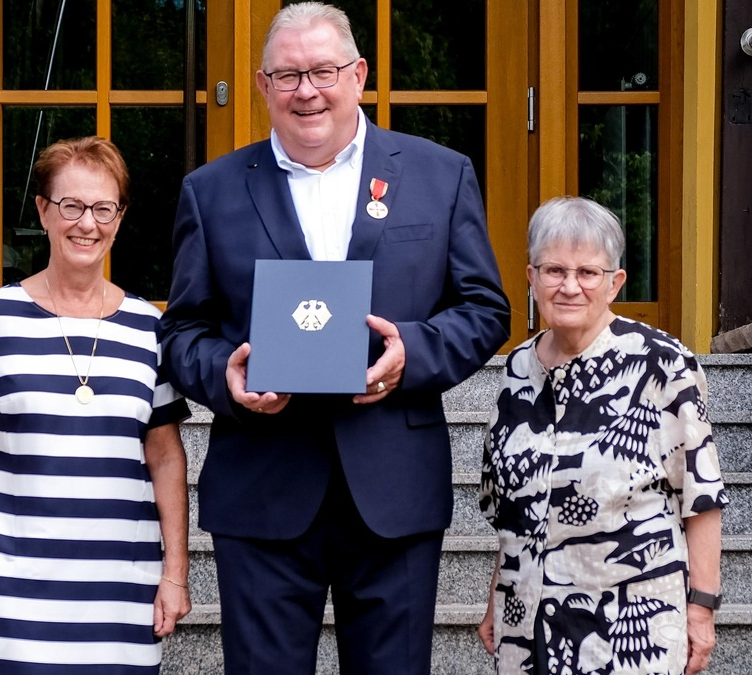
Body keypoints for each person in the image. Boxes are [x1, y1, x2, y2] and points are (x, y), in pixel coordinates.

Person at [160, 3, 510, 673]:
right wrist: (226, 379)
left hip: (394, 492)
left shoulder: (440, 175)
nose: (306, 90)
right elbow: (182, 331)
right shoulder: (211, 192)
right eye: (287, 74)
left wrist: (413, 351)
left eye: (323, 70)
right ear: (263, 86)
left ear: (358, 74)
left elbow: (484, 308)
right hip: (261, 489)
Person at [0, 136, 192, 675]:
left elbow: (166, 457)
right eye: (71, 205)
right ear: (42, 210)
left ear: (120, 216)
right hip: (7, 587)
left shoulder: (152, 328)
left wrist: (175, 571)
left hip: (119, 588)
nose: (88, 223)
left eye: (104, 208)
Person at [477, 196, 729, 675]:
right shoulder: (517, 370)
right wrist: (498, 595)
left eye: (588, 273)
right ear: (531, 278)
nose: (570, 286)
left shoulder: (661, 363)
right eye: (554, 271)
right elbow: (515, 507)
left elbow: (702, 496)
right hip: (526, 621)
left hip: (631, 624)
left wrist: (701, 609)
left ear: (615, 283)